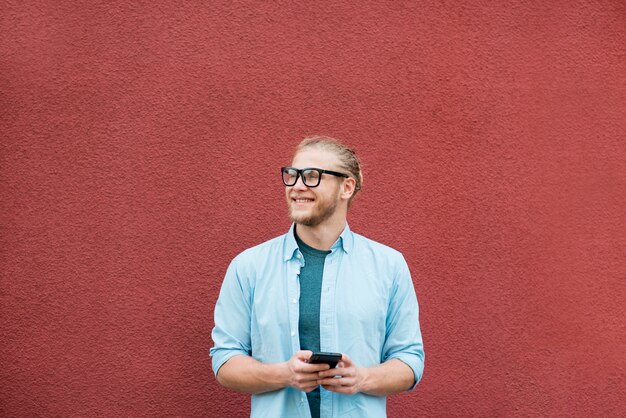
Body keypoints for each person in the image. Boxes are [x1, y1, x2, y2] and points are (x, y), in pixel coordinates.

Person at [210, 135, 424, 418]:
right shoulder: (248, 266)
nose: (297, 186)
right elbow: (225, 361)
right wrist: (284, 374)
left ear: (346, 187)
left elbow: (409, 360)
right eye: (292, 175)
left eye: (312, 176)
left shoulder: (389, 266)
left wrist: (362, 379)